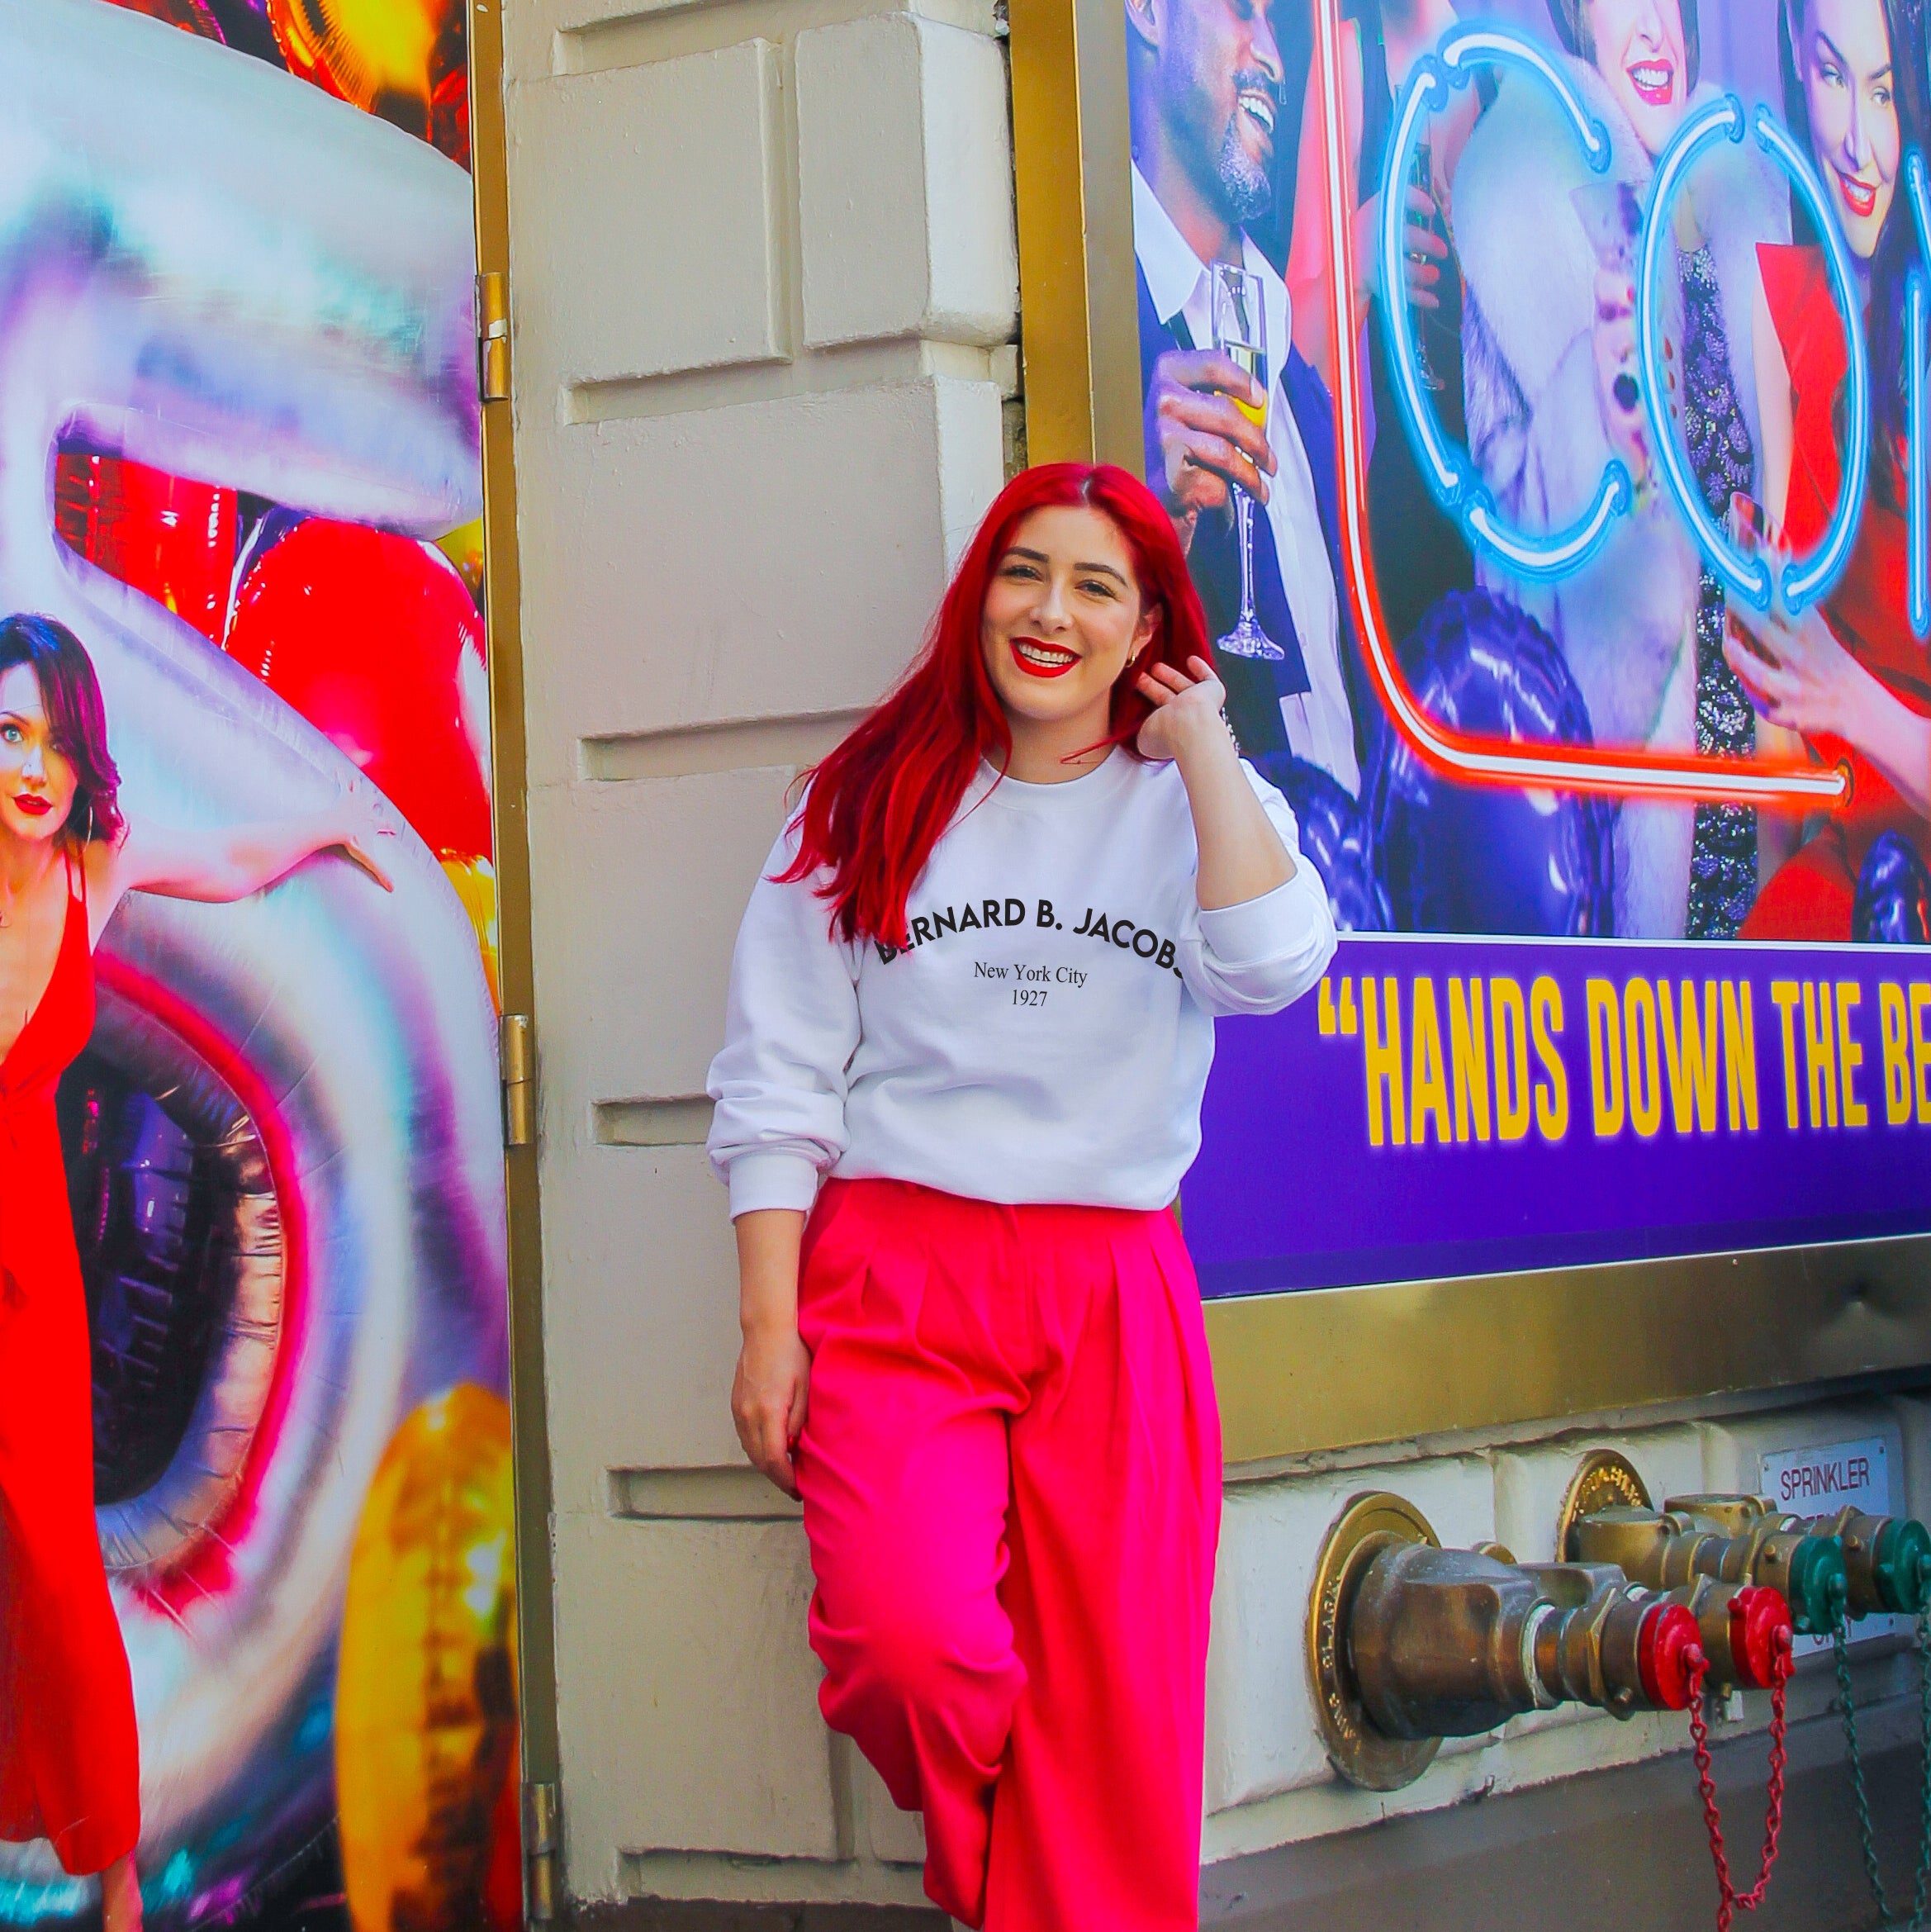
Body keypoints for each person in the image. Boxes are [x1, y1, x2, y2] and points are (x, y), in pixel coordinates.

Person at [707, 463, 1335, 1931]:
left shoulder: (1194, 804)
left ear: (1146, 629)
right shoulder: (867, 794)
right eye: (1022, 572)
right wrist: (766, 1325)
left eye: (1095, 587)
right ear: (978, 594)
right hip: (896, 1273)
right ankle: (1019, 1877)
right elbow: (777, 1078)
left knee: (1112, 1701)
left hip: (1112, 1286)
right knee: (905, 1642)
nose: (1050, 612)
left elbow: (1271, 965)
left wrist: (1201, 745)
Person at [0, 613, 392, 1932]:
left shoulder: (91, 872)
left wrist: (327, 824)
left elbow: (224, 858)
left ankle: (111, 1875)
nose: (34, 765)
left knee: (57, 1568)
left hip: (28, 1275)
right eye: (8, 733)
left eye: (56, 738)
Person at [1453, 0, 1786, 938]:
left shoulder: (1743, 182)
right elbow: (1533, 564)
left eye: (1666, 1)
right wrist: (1595, 409)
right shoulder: (1527, 186)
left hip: (1766, 753)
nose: (1653, 31)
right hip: (1645, 785)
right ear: (1574, 17)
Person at [1126, 0, 1379, 794]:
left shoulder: (1293, 369)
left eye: (1277, 21)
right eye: (1243, 9)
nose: (1271, 54)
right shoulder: (1095, 333)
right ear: (1148, 13)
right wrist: (1139, 521)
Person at [1729, 0, 1931, 939]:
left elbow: (1822, 677)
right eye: (1831, 75)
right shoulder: (1789, 304)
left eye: (1884, 92)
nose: (1855, 141)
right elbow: (1783, 692)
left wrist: (1842, 692)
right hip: (1846, 865)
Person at [1282, 0, 1482, 648]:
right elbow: (1291, 364)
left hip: (1512, 524)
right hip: (1404, 521)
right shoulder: (1348, 58)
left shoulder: (1502, 71)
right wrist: (1357, 260)